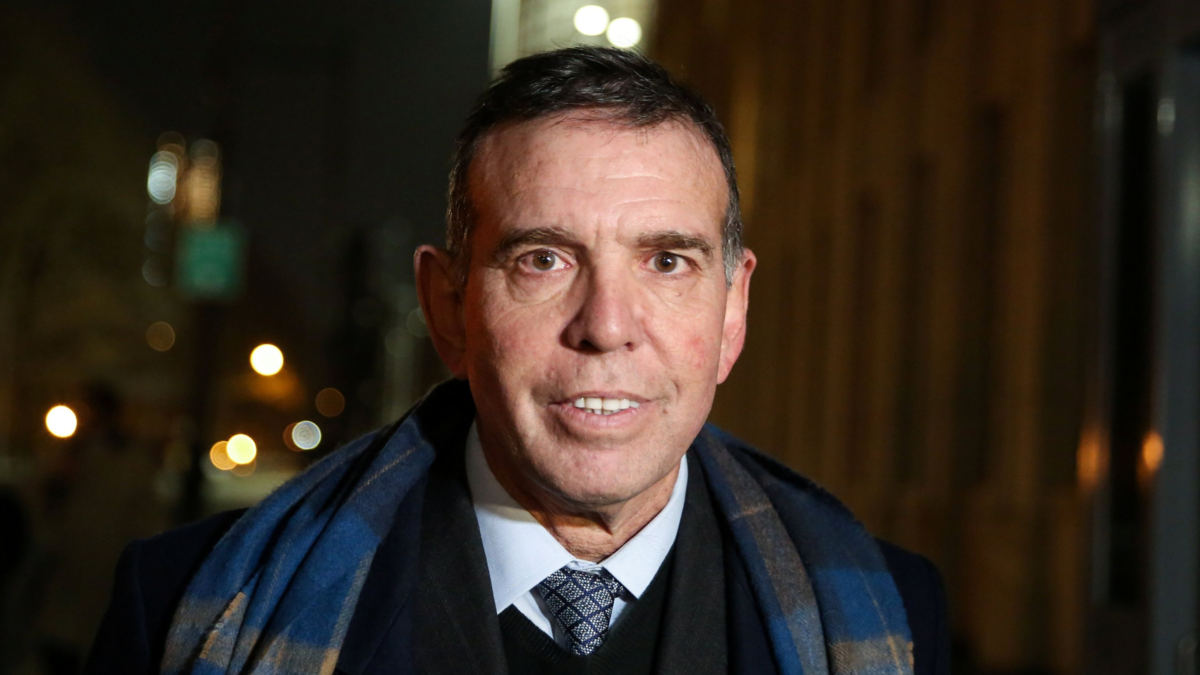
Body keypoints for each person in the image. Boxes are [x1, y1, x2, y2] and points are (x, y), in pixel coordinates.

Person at [86, 46, 949, 675]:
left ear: (734, 313)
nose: (606, 326)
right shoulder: (180, 606)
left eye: (666, 261)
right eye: (544, 259)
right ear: (446, 308)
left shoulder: (897, 613)